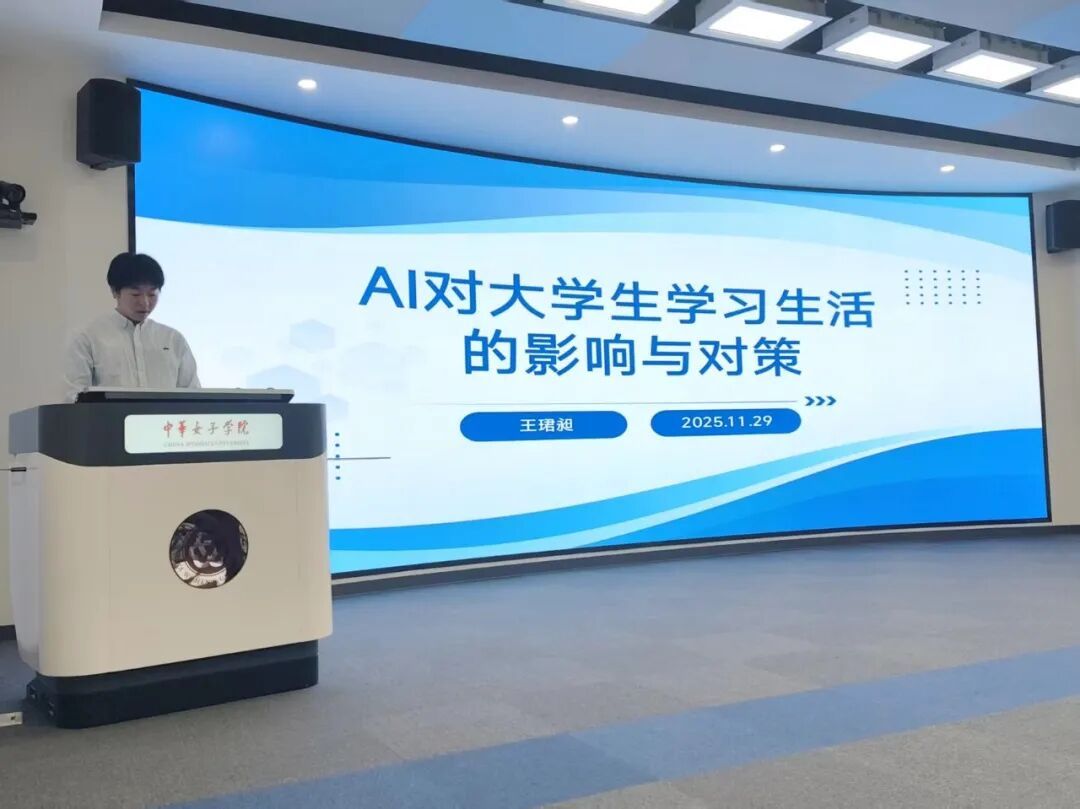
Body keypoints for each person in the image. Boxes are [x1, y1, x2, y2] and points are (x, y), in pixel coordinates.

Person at [63, 252, 200, 402]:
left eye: (152, 295)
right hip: (110, 418)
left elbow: (193, 395)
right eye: (136, 294)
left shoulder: (173, 339)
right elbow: (75, 396)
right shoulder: (88, 337)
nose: (145, 303)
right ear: (115, 292)